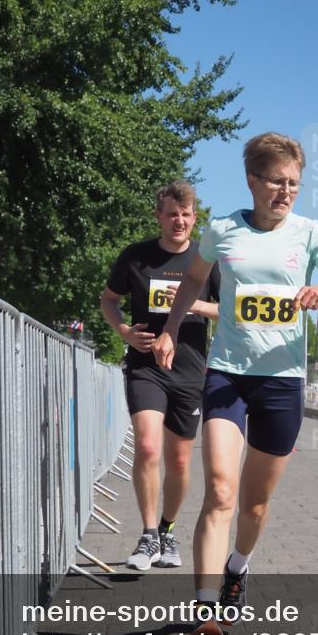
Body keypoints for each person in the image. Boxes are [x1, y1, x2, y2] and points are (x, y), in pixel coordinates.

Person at [153, 132, 318, 635]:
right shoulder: (222, 231)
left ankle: (238, 569)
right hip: (227, 376)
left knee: (255, 503)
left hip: (282, 382)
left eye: (294, 183)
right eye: (277, 181)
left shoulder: (311, 234)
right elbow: (191, 284)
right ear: (253, 180)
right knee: (220, 492)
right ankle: (204, 615)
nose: (286, 191)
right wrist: (172, 330)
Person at [100, 180, 220, 570]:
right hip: (145, 366)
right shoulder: (136, 257)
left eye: (186, 215)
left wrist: (193, 305)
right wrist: (123, 332)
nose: (179, 221)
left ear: (194, 217)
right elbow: (109, 300)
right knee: (149, 447)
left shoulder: (206, 261)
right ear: (159, 216)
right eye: (172, 214)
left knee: (180, 461)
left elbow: (229, 310)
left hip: (189, 370)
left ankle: (168, 532)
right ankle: (148, 536)